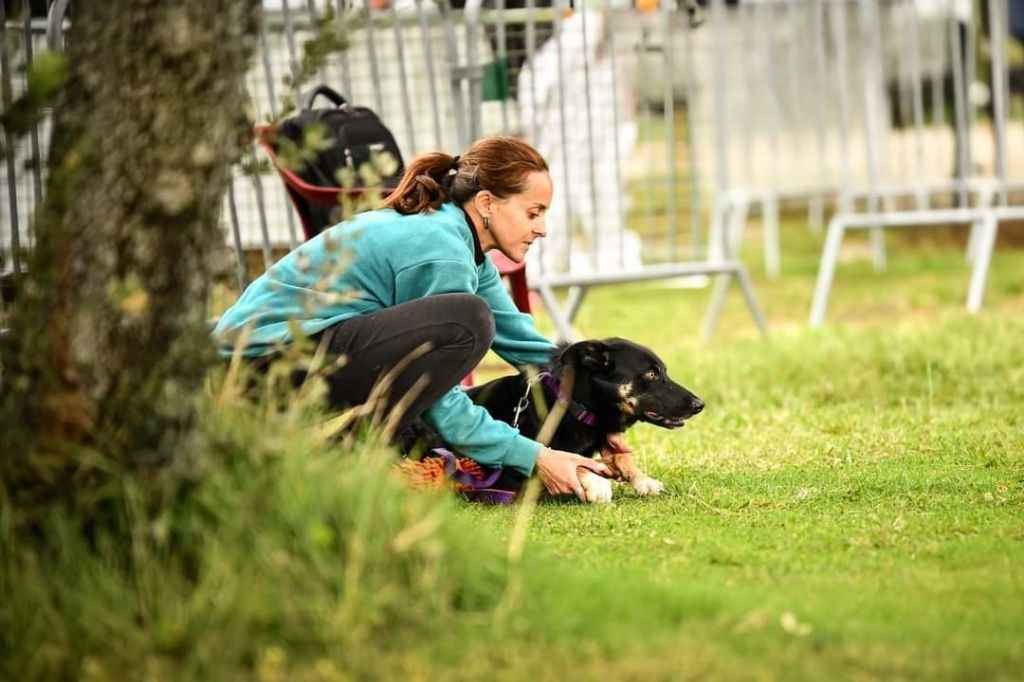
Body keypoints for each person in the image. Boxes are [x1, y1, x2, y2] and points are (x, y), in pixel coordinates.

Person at [214, 135, 619, 500]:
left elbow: (526, 346)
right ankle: (346, 459)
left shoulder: (458, 239)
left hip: (289, 360)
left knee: (471, 317)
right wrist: (537, 457)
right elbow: (442, 402)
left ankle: (341, 461)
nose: (543, 229)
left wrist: (596, 414)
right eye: (534, 213)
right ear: (485, 204)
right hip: (255, 374)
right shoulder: (440, 248)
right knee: (467, 321)